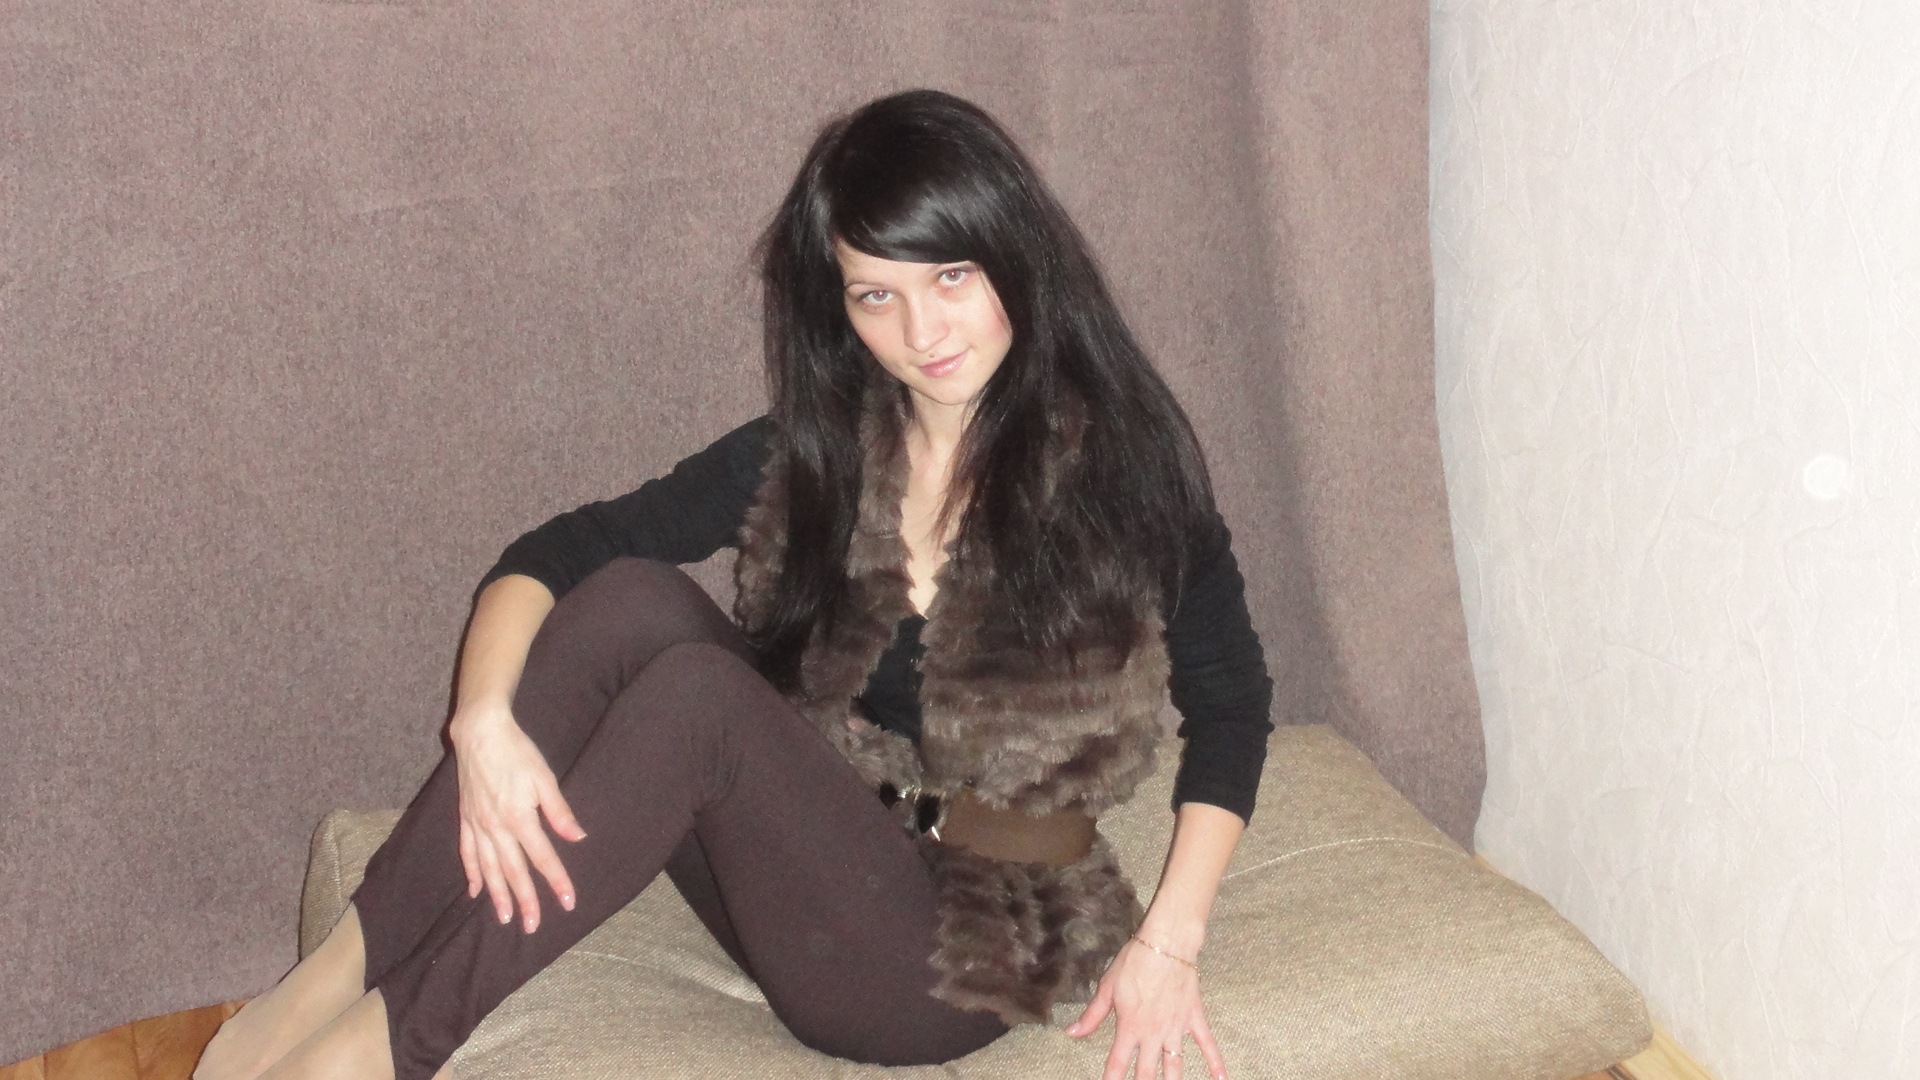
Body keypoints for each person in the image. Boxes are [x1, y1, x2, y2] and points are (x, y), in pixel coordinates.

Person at [194, 88, 1273, 1080]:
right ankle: (320, 988)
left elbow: (1232, 708)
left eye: (952, 277)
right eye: (877, 296)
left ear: (1015, 253)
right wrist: (480, 723)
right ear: (840, 308)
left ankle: (381, 1051)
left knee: (700, 701)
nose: (922, 333)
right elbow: (558, 550)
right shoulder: (821, 451)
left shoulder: (1127, 474)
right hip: (805, 855)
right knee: (629, 598)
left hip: (961, 955)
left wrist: (1168, 943)